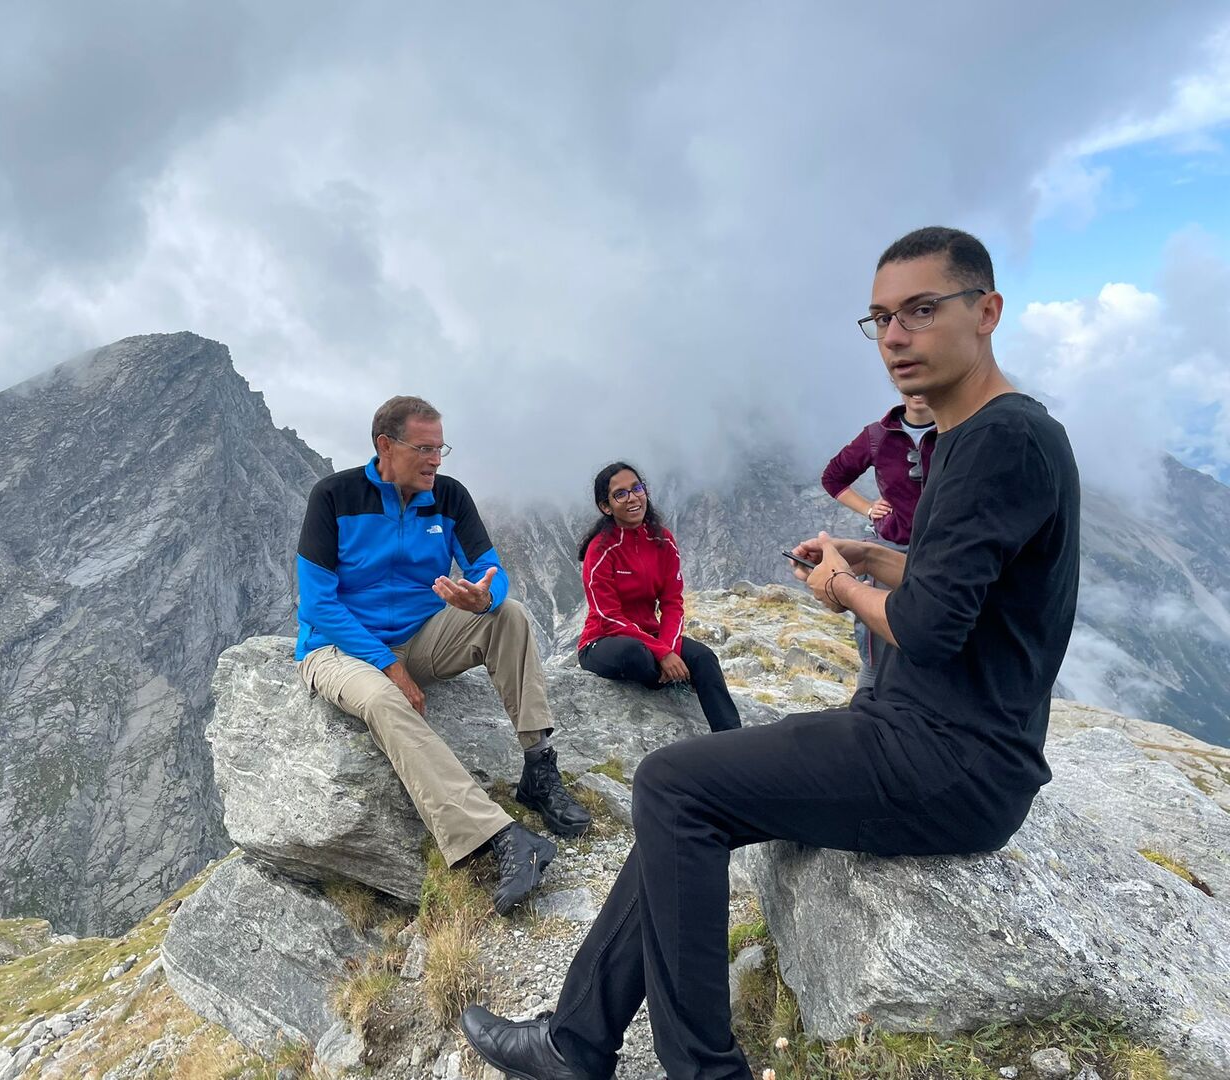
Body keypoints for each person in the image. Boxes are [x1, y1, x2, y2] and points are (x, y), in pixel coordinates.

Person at [459, 226, 1080, 1079]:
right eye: (881, 319)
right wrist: (874, 559)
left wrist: (841, 587)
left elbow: (931, 627)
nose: (895, 336)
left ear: (987, 312)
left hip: (944, 759)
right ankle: (575, 1043)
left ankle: (697, 1070)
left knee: (671, 785)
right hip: (935, 742)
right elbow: (962, 588)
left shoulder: (996, 442)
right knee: (685, 797)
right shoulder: (987, 435)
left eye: (921, 310)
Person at [295, 395, 591, 917]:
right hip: (338, 646)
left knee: (510, 615)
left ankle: (539, 768)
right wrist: (388, 666)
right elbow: (318, 603)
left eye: (440, 449)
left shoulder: (449, 496)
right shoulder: (334, 496)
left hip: (422, 635)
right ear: (386, 446)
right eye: (424, 449)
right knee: (383, 701)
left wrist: (483, 598)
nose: (436, 460)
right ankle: (501, 836)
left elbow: (490, 572)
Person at [576, 462, 740, 732]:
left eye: (637, 488)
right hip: (602, 640)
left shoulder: (663, 541)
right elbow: (609, 617)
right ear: (606, 507)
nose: (632, 498)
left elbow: (673, 603)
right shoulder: (601, 550)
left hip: (650, 637)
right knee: (635, 655)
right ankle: (669, 675)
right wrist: (663, 654)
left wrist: (669, 649)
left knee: (704, 658)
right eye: (620, 494)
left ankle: (732, 739)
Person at [821, 391, 939, 688]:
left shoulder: (957, 431)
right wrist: (868, 508)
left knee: (936, 630)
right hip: (891, 544)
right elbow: (833, 477)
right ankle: (867, 700)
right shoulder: (877, 436)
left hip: (940, 550)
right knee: (877, 643)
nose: (917, 392)